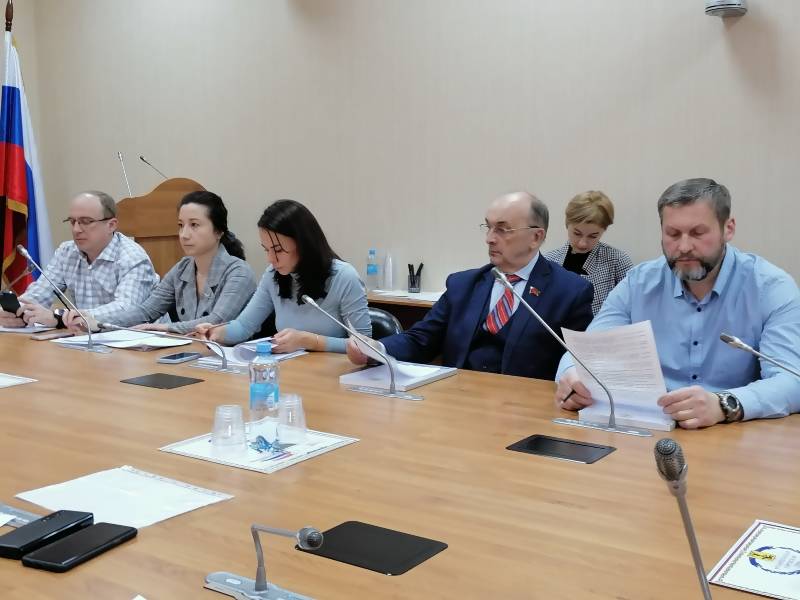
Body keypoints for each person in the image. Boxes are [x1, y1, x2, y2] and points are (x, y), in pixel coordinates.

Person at [554, 178, 800, 429]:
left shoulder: (771, 288)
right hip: (648, 428)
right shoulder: (638, 283)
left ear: (728, 228)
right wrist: (571, 376)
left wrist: (724, 404)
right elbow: (587, 351)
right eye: (672, 234)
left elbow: (792, 380)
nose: (683, 247)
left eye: (698, 233)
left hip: (732, 433)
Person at [347, 191, 594, 379]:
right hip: (459, 401)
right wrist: (377, 348)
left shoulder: (570, 292)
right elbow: (422, 339)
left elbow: (579, 362)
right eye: (488, 227)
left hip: (524, 410)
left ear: (536, 237)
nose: (489, 238)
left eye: (502, 230)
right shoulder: (463, 284)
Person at [65, 191, 257, 334]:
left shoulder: (239, 272)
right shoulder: (183, 268)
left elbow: (216, 321)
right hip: (192, 354)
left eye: (194, 225)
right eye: (181, 225)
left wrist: (165, 328)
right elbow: (146, 311)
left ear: (218, 231)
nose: (184, 234)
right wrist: (96, 322)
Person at [196, 199, 370, 353]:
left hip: (332, 374)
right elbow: (244, 326)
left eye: (278, 250)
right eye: (267, 250)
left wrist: (310, 341)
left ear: (304, 244)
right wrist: (215, 333)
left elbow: (365, 345)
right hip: (288, 370)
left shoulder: (344, 277)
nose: (271, 259)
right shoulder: (273, 275)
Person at [0, 190, 157, 329]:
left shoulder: (132, 257)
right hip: (85, 338)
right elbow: (38, 295)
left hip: (138, 340)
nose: (76, 229)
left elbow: (127, 309)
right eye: (72, 221)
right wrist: (16, 311)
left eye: (86, 222)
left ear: (111, 225)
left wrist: (59, 317)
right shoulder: (67, 252)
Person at [545, 190, 633, 315]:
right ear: (567, 224)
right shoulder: (548, 261)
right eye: (577, 233)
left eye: (593, 236)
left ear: (604, 230)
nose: (583, 243)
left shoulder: (617, 261)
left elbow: (633, 309)